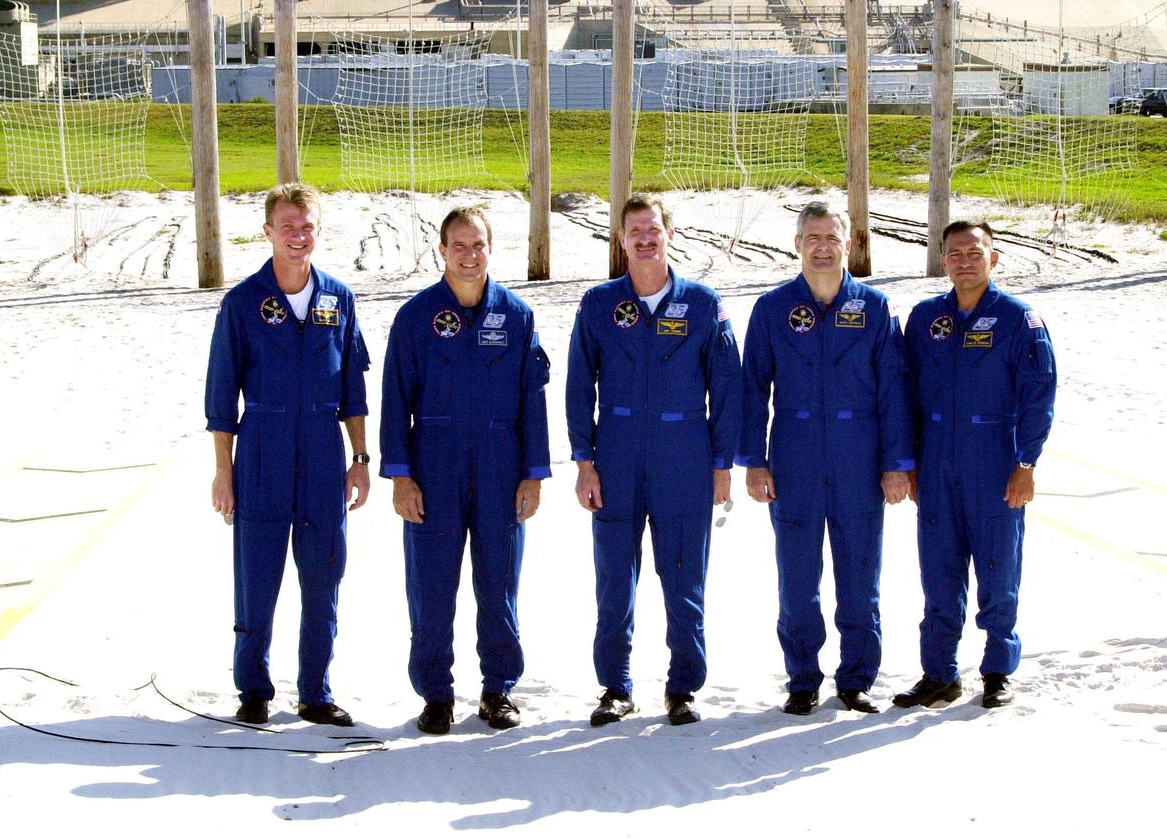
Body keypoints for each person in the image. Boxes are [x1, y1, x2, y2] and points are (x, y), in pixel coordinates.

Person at [566, 194, 741, 727]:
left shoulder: (704, 304)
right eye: (634, 231)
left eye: (653, 229)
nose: (645, 239)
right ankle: (615, 686)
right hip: (616, 456)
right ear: (620, 240)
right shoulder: (598, 305)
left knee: (685, 577)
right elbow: (578, 387)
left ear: (669, 234)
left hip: (684, 454)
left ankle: (683, 686)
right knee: (615, 578)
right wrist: (584, 461)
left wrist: (721, 465)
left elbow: (728, 389)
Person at [379, 207, 551, 734]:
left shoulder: (517, 316)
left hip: (501, 463)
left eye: (478, 245)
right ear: (442, 251)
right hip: (434, 463)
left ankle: (498, 689)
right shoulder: (415, 317)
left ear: (491, 249)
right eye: (459, 245)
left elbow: (533, 401)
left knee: (498, 581)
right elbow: (394, 399)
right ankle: (436, 694)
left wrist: (533, 473)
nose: (470, 255)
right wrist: (401, 475)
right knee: (432, 585)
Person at [737, 202, 913, 716]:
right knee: (797, 577)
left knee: (860, 575)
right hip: (793, 457)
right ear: (797, 245)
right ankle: (802, 679)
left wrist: (895, 464)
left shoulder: (875, 309)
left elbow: (893, 393)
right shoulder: (771, 310)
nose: (823, 246)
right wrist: (755, 461)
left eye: (832, 237)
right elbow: (753, 390)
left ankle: (856, 678)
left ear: (850, 243)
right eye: (812, 237)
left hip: (859, 458)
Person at [206, 182, 371, 727]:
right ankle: (253, 689)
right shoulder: (242, 302)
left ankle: (315, 692)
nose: (298, 236)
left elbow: (353, 389)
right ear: (268, 232)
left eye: (307, 227)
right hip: (262, 453)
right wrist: (223, 474)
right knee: (257, 576)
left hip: (325, 455)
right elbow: (221, 396)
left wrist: (361, 458)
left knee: (324, 576)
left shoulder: (338, 298)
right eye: (288, 227)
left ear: (317, 232)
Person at [895, 220, 1057, 710]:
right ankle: (939, 673)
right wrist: (911, 463)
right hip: (937, 458)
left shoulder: (1017, 318)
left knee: (997, 570)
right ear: (942, 259)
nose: (964, 260)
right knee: (939, 574)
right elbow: (904, 395)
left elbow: (1039, 393)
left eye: (974, 251)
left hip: (995, 459)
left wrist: (1026, 462)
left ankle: (996, 672)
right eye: (954, 253)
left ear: (994, 258)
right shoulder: (926, 319)